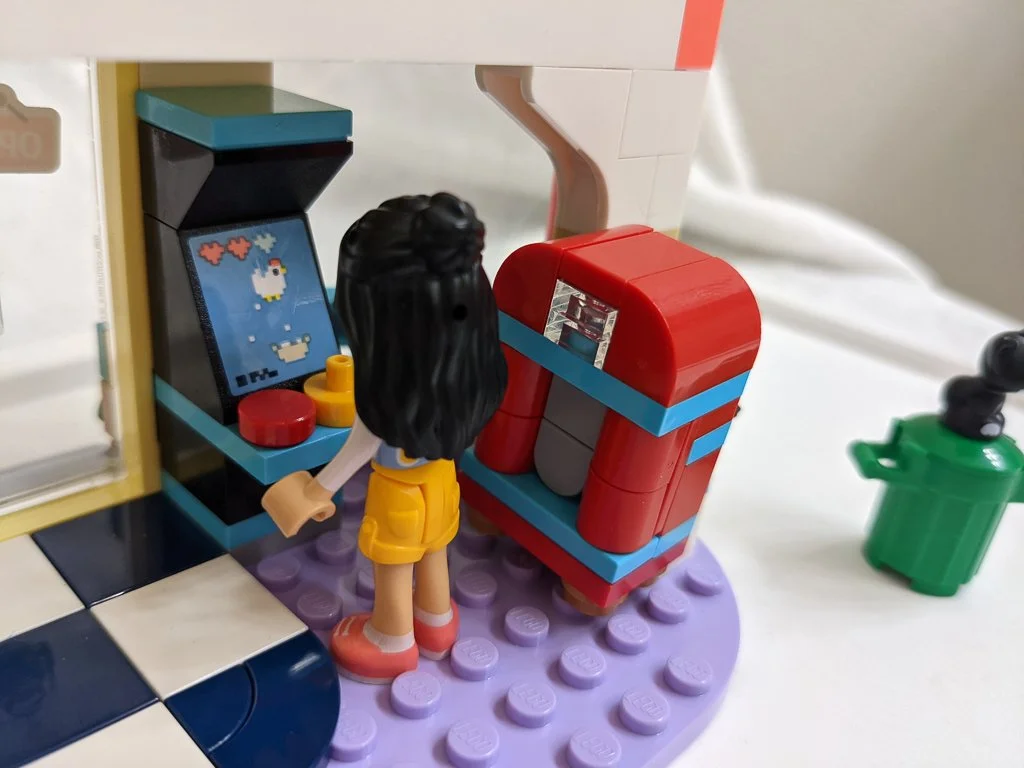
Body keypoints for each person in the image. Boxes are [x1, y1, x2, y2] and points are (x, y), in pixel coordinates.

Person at [262, 192, 507, 682]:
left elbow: (361, 444)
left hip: (398, 492)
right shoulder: (470, 373)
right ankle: (436, 623)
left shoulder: (389, 393)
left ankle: (390, 641)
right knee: (434, 550)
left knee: (393, 566)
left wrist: (316, 490)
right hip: (442, 481)